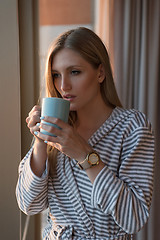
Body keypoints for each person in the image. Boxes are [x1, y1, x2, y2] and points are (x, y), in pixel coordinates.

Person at [16, 27, 155, 240]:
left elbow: (133, 218)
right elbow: (29, 204)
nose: (63, 86)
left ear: (100, 72)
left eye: (74, 72)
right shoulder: (57, 127)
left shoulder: (132, 126)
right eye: (55, 75)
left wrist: (85, 155)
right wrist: (40, 142)